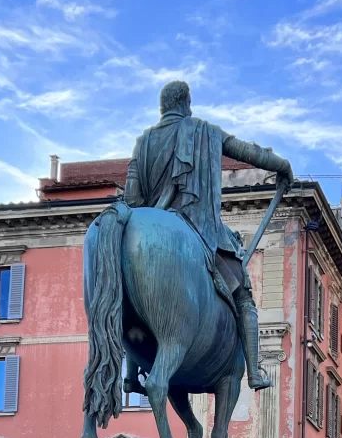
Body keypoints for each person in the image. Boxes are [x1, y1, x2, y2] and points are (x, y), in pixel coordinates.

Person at [123, 80, 294, 392]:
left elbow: (132, 198)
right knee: (243, 295)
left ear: (162, 107)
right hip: (199, 228)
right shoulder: (205, 130)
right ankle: (255, 372)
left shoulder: (143, 142)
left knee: (130, 288)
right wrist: (282, 166)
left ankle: (130, 375)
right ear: (187, 104)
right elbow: (246, 151)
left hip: (147, 230)